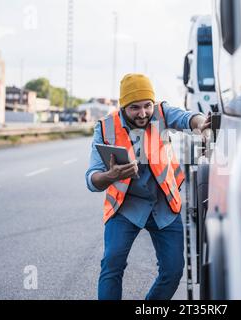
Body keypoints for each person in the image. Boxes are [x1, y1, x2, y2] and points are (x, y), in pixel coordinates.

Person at [85, 73, 210, 300]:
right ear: (123, 106)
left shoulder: (161, 113)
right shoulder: (105, 128)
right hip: (126, 207)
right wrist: (110, 176)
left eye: (147, 106)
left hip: (163, 203)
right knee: (112, 265)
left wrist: (201, 124)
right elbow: (91, 179)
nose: (143, 113)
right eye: (135, 108)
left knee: (173, 271)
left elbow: (188, 118)